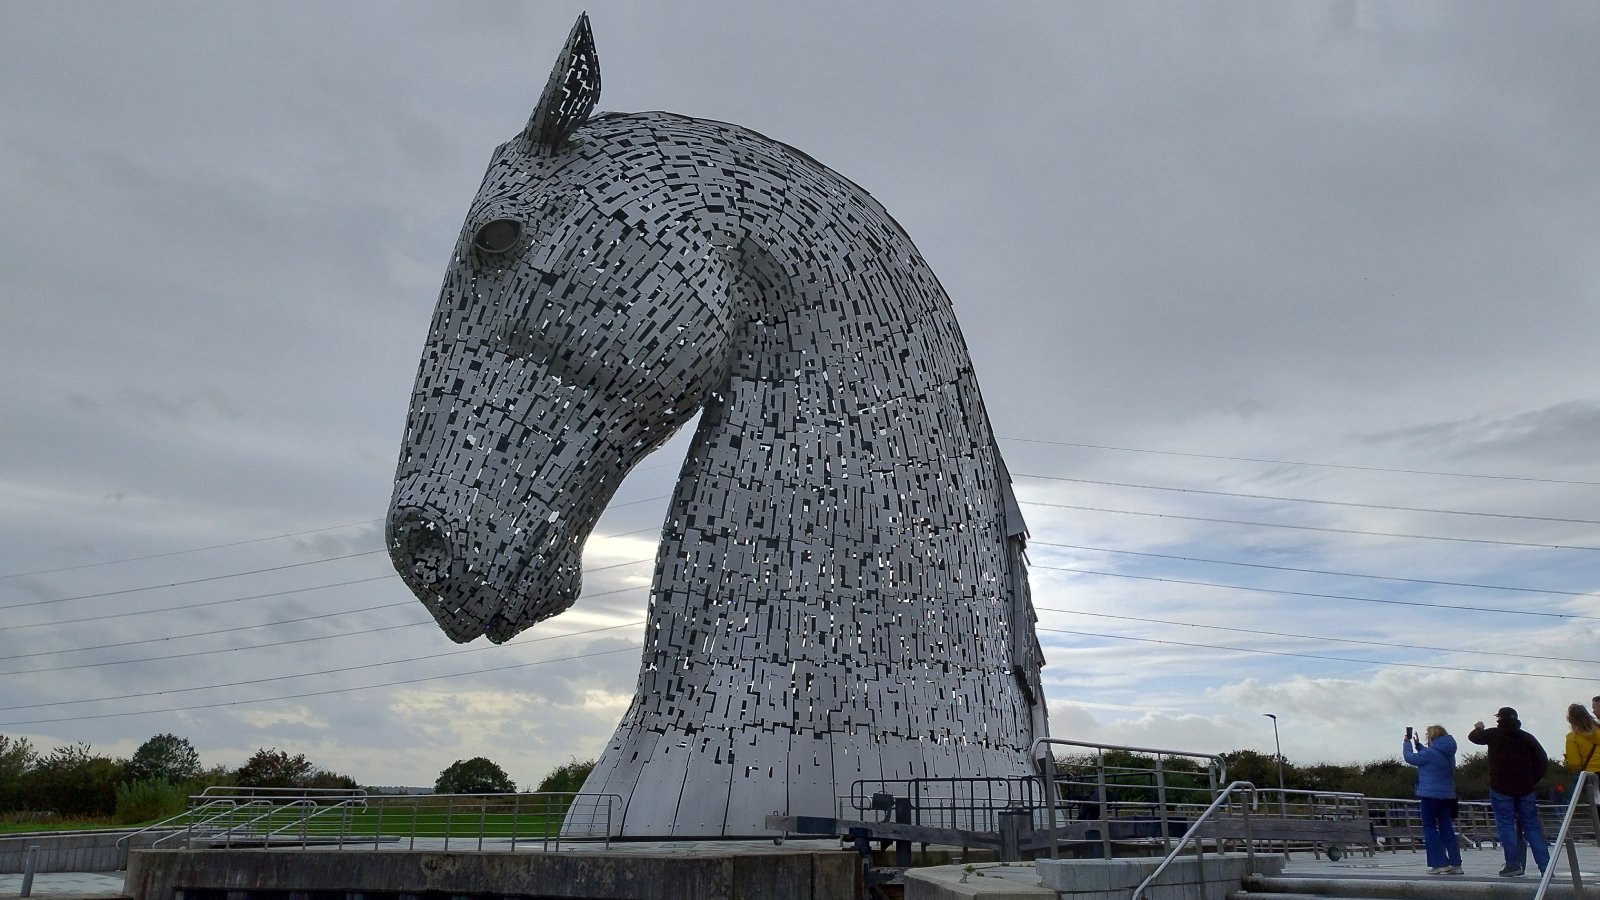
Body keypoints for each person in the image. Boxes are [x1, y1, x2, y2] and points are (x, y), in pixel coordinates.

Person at [1469, 707, 1551, 877]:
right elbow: (1543, 761)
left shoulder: (1493, 734)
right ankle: (1546, 868)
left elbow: (1473, 738)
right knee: (1532, 828)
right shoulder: (1527, 738)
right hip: (1526, 789)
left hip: (1501, 788)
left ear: (1499, 718)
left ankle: (1513, 865)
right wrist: (1532, 780)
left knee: (1506, 826)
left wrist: (1478, 728)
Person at [1403, 724, 1463, 874]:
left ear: (1432, 737)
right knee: (1446, 828)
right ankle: (1456, 864)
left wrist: (1407, 742)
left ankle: (1439, 863)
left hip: (1430, 796)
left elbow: (1409, 758)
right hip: (1447, 795)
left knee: (1429, 828)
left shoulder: (1430, 754)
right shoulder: (1448, 754)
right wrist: (1419, 746)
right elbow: (1432, 756)